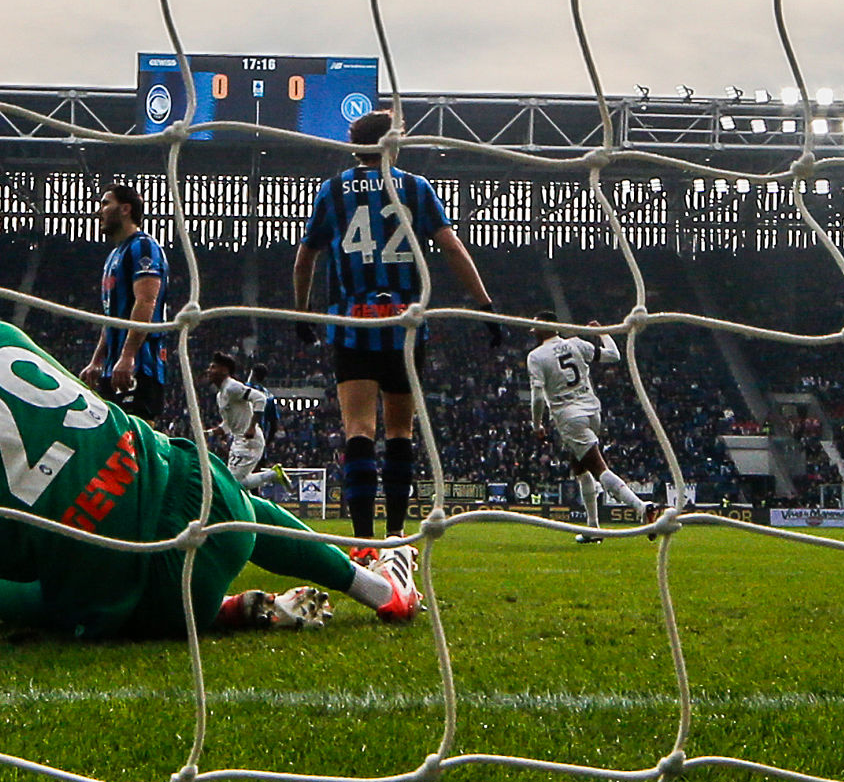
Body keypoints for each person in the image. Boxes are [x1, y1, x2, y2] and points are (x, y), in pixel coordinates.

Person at [0, 252, 421, 639]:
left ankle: (218, 610)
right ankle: (376, 587)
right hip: (212, 516)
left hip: (127, 599)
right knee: (206, 479)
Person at [292, 109, 497, 563]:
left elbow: (306, 256)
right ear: (389, 143)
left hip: (352, 323)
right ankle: (398, 535)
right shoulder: (416, 187)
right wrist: (484, 305)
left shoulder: (333, 190)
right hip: (404, 323)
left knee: (358, 430)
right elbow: (451, 247)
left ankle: (363, 541)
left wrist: (302, 310)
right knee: (400, 430)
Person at [526, 315, 653, 542]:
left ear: (544, 327)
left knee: (598, 469)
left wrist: (536, 424)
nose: (531, 328)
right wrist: (603, 332)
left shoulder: (536, 356)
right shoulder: (575, 343)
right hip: (593, 411)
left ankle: (642, 507)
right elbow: (613, 355)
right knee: (581, 470)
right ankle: (592, 529)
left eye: (535, 323)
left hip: (569, 416)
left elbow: (537, 398)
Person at [79, 184, 170, 427]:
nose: (100, 210)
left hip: (140, 364)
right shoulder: (113, 256)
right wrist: (97, 360)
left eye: (106, 203)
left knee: (136, 440)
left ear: (125, 209)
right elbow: (111, 316)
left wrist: (128, 356)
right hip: (114, 367)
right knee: (113, 443)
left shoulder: (144, 247)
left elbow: (146, 301)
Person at [201, 352, 285, 496]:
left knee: (231, 484)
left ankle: (272, 476)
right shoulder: (220, 395)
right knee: (237, 483)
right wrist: (208, 433)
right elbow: (228, 425)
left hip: (249, 441)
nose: (209, 371)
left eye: (213, 367)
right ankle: (272, 475)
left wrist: (252, 426)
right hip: (238, 441)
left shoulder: (232, 387)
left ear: (224, 370)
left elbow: (260, 398)